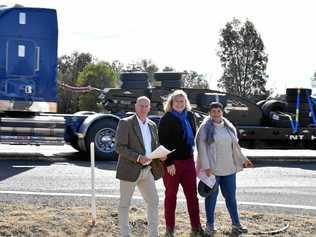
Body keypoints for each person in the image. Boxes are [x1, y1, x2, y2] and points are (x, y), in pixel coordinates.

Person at [195, 102, 253, 235]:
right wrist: (206, 167)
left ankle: (236, 224)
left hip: (229, 169)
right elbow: (201, 149)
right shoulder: (205, 128)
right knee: (211, 198)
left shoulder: (228, 127)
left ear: (222, 112)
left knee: (231, 198)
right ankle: (210, 226)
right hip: (213, 171)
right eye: (213, 111)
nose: (216, 114)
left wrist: (244, 159)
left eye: (218, 111)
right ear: (210, 113)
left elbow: (235, 147)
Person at [115, 96, 165, 237]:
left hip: (147, 170)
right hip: (129, 169)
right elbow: (119, 147)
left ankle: (153, 234)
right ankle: (125, 234)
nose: (143, 109)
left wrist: (161, 154)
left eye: (146, 106)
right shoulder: (125, 123)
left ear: (149, 108)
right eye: (141, 106)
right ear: (135, 107)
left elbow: (154, 146)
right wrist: (138, 157)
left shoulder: (152, 125)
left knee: (153, 201)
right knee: (125, 204)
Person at [158, 90, 204, 237]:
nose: (179, 103)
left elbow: (193, 138)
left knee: (192, 196)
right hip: (173, 163)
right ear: (171, 103)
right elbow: (163, 142)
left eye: (182, 101)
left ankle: (196, 227)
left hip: (189, 161)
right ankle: (169, 229)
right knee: (171, 196)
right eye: (176, 101)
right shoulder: (167, 118)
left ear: (186, 103)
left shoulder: (190, 116)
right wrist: (169, 162)